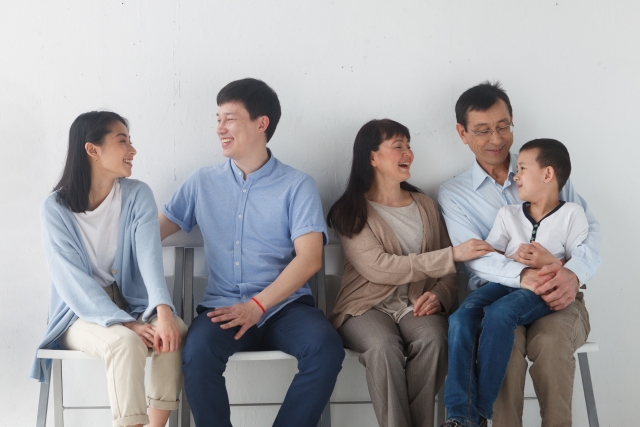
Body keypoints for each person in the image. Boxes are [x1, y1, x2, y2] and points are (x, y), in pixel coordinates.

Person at [159, 78, 345, 427]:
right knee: (197, 354)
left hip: (285, 308)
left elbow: (310, 258)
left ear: (262, 124)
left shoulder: (297, 185)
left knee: (325, 348)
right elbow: (150, 235)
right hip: (223, 309)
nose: (220, 128)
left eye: (230, 119)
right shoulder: (201, 182)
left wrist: (257, 306)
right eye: (218, 119)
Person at [438, 82, 601, 427]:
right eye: (483, 130)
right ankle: (476, 418)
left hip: (557, 292)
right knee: (500, 340)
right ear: (462, 133)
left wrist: (571, 275)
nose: (496, 139)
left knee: (551, 343)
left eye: (503, 126)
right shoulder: (454, 194)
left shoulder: (546, 169)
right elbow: (477, 254)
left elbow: (588, 234)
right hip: (498, 295)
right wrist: (523, 274)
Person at [326, 119, 493, 427]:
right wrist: (451, 255)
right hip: (364, 308)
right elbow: (379, 267)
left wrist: (439, 296)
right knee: (383, 347)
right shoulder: (350, 210)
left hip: (415, 304)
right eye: (398, 146)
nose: (408, 153)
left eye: (409, 146)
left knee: (435, 339)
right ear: (372, 157)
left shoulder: (425, 205)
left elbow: (448, 273)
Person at [30, 111, 188, 427]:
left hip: (133, 304)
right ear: (92, 149)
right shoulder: (55, 209)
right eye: (122, 141)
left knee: (174, 332)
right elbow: (73, 282)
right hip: (79, 313)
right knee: (124, 342)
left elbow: (149, 256)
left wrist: (164, 312)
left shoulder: (138, 194)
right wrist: (125, 324)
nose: (132, 150)